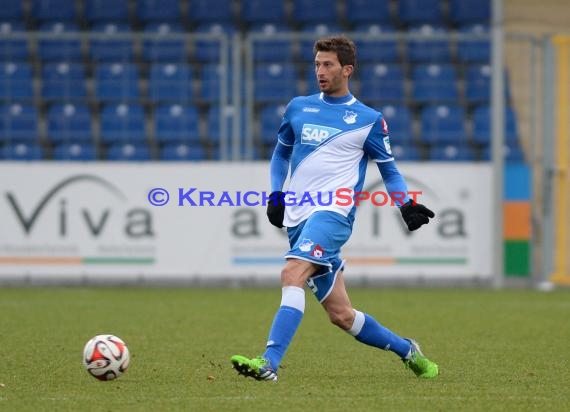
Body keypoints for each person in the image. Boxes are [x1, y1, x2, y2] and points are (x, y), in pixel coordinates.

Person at [231, 36, 438, 381]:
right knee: (341, 315)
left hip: (334, 215)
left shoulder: (369, 119)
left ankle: (268, 363)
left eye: (327, 64)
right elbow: (281, 153)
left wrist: (405, 204)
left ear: (347, 69)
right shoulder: (298, 107)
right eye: (316, 64)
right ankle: (408, 350)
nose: (320, 71)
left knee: (291, 273)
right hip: (299, 216)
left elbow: (388, 167)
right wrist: (276, 195)